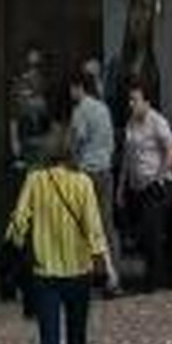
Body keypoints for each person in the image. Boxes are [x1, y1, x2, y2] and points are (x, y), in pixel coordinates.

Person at [7, 126, 114, 344]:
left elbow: (18, 222)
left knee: (49, 340)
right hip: (78, 272)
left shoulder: (35, 180)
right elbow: (94, 229)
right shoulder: (83, 184)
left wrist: (12, 250)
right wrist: (105, 264)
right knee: (77, 337)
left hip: (44, 272)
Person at [116, 85, 172, 291]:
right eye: (130, 100)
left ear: (147, 102)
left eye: (135, 100)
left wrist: (159, 175)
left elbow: (171, 149)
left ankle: (156, 283)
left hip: (157, 186)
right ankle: (151, 278)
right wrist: (121, 186)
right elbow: (127, 157)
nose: (131, 104)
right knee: (143, 233)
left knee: (151, 231)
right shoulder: (131, 123)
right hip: (138, 187)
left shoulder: (157, 121)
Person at [67, 62, 116, 282]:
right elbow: (111, 141)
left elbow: (76, 142)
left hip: (86, 172)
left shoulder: (81, 111)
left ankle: (88, 272)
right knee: (105, 223)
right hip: (105, 171)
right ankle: (111, 273)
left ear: (78, 88)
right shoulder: (103, 108)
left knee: (84, 223)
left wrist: (72, 163)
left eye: (71, 89)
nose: (70, 94)